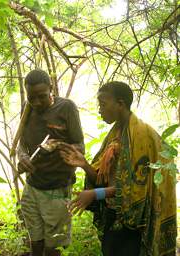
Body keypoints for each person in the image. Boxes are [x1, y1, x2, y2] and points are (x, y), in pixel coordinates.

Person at [59, 81, 176, 256]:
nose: (100, 110)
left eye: (103, 104)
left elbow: (134, 189)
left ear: (120, 104)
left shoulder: (141, 136)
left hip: (133, 225)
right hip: (112, 216)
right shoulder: (115, 134)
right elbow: (102, 180)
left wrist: (94, 194)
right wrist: (84, 164)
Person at [17, 69, 84, 256]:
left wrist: (59, 145)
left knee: (53, 246)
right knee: (35, 240)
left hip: (57, 188)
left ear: (51, 89)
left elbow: (80, 146)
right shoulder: (27, 107)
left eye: (42, 97)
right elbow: (21, 144)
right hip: (32, 187)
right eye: (32, 98)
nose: (37, 103)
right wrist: (22, 157)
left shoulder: (67, 108)